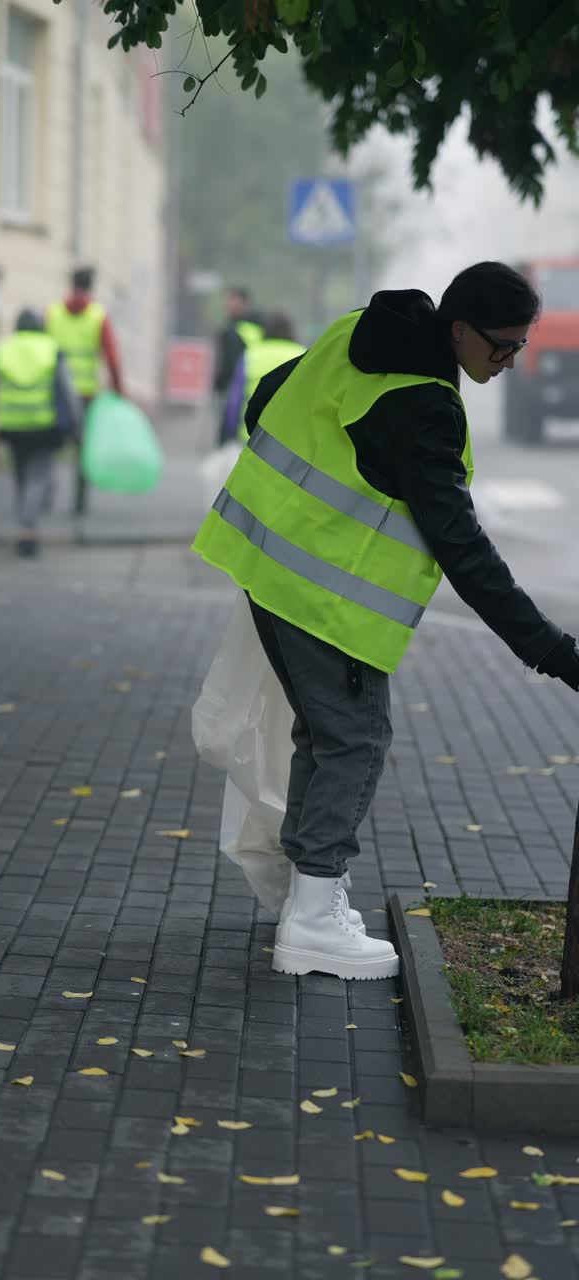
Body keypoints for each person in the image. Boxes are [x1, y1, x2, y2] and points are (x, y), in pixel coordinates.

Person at [192, 261, 579, 982]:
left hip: (269, 567)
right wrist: (553, 651)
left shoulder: (353, 336)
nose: (510, 361)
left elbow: (264, 404)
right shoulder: (423, 405)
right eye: (502, 347)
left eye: (521, 348)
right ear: (459, 329)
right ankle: (312, 920)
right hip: (327, 598)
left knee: (326, 734)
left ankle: (307, 898)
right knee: (355, 740)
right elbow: (462, 549)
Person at [0, 308, 80, 558]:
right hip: (42, 423)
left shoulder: (5, 349)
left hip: (11, 423)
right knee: (38, 477)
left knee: (21, 474)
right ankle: (28, 531)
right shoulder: (51, 349)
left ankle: (25, 519)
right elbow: (67, 389)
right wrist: (77, 423)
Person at [46, 267, 124, 532]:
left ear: (71, 284)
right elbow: (111, 357)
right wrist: (117, 389)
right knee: (81, 449)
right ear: (91, 287)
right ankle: (79, 503)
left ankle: (45, 493)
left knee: (52, 443)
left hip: (55, 391)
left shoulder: (54, 313)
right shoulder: (97, 316)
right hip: (86, 394)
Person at [219, 312, 305, 444]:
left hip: (252, 435)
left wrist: (230, 432)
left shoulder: (251, 354)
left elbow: (235, 399)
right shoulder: (302, 354)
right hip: (291, 439)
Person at [213, 287, 264, 441]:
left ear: (245, 304)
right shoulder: (259, 327)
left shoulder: (237, 330)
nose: (229, 305)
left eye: (233, 301)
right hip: (254, 382)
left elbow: (229, 361)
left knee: (232, 428)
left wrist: (219, 383)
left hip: (238, 383)